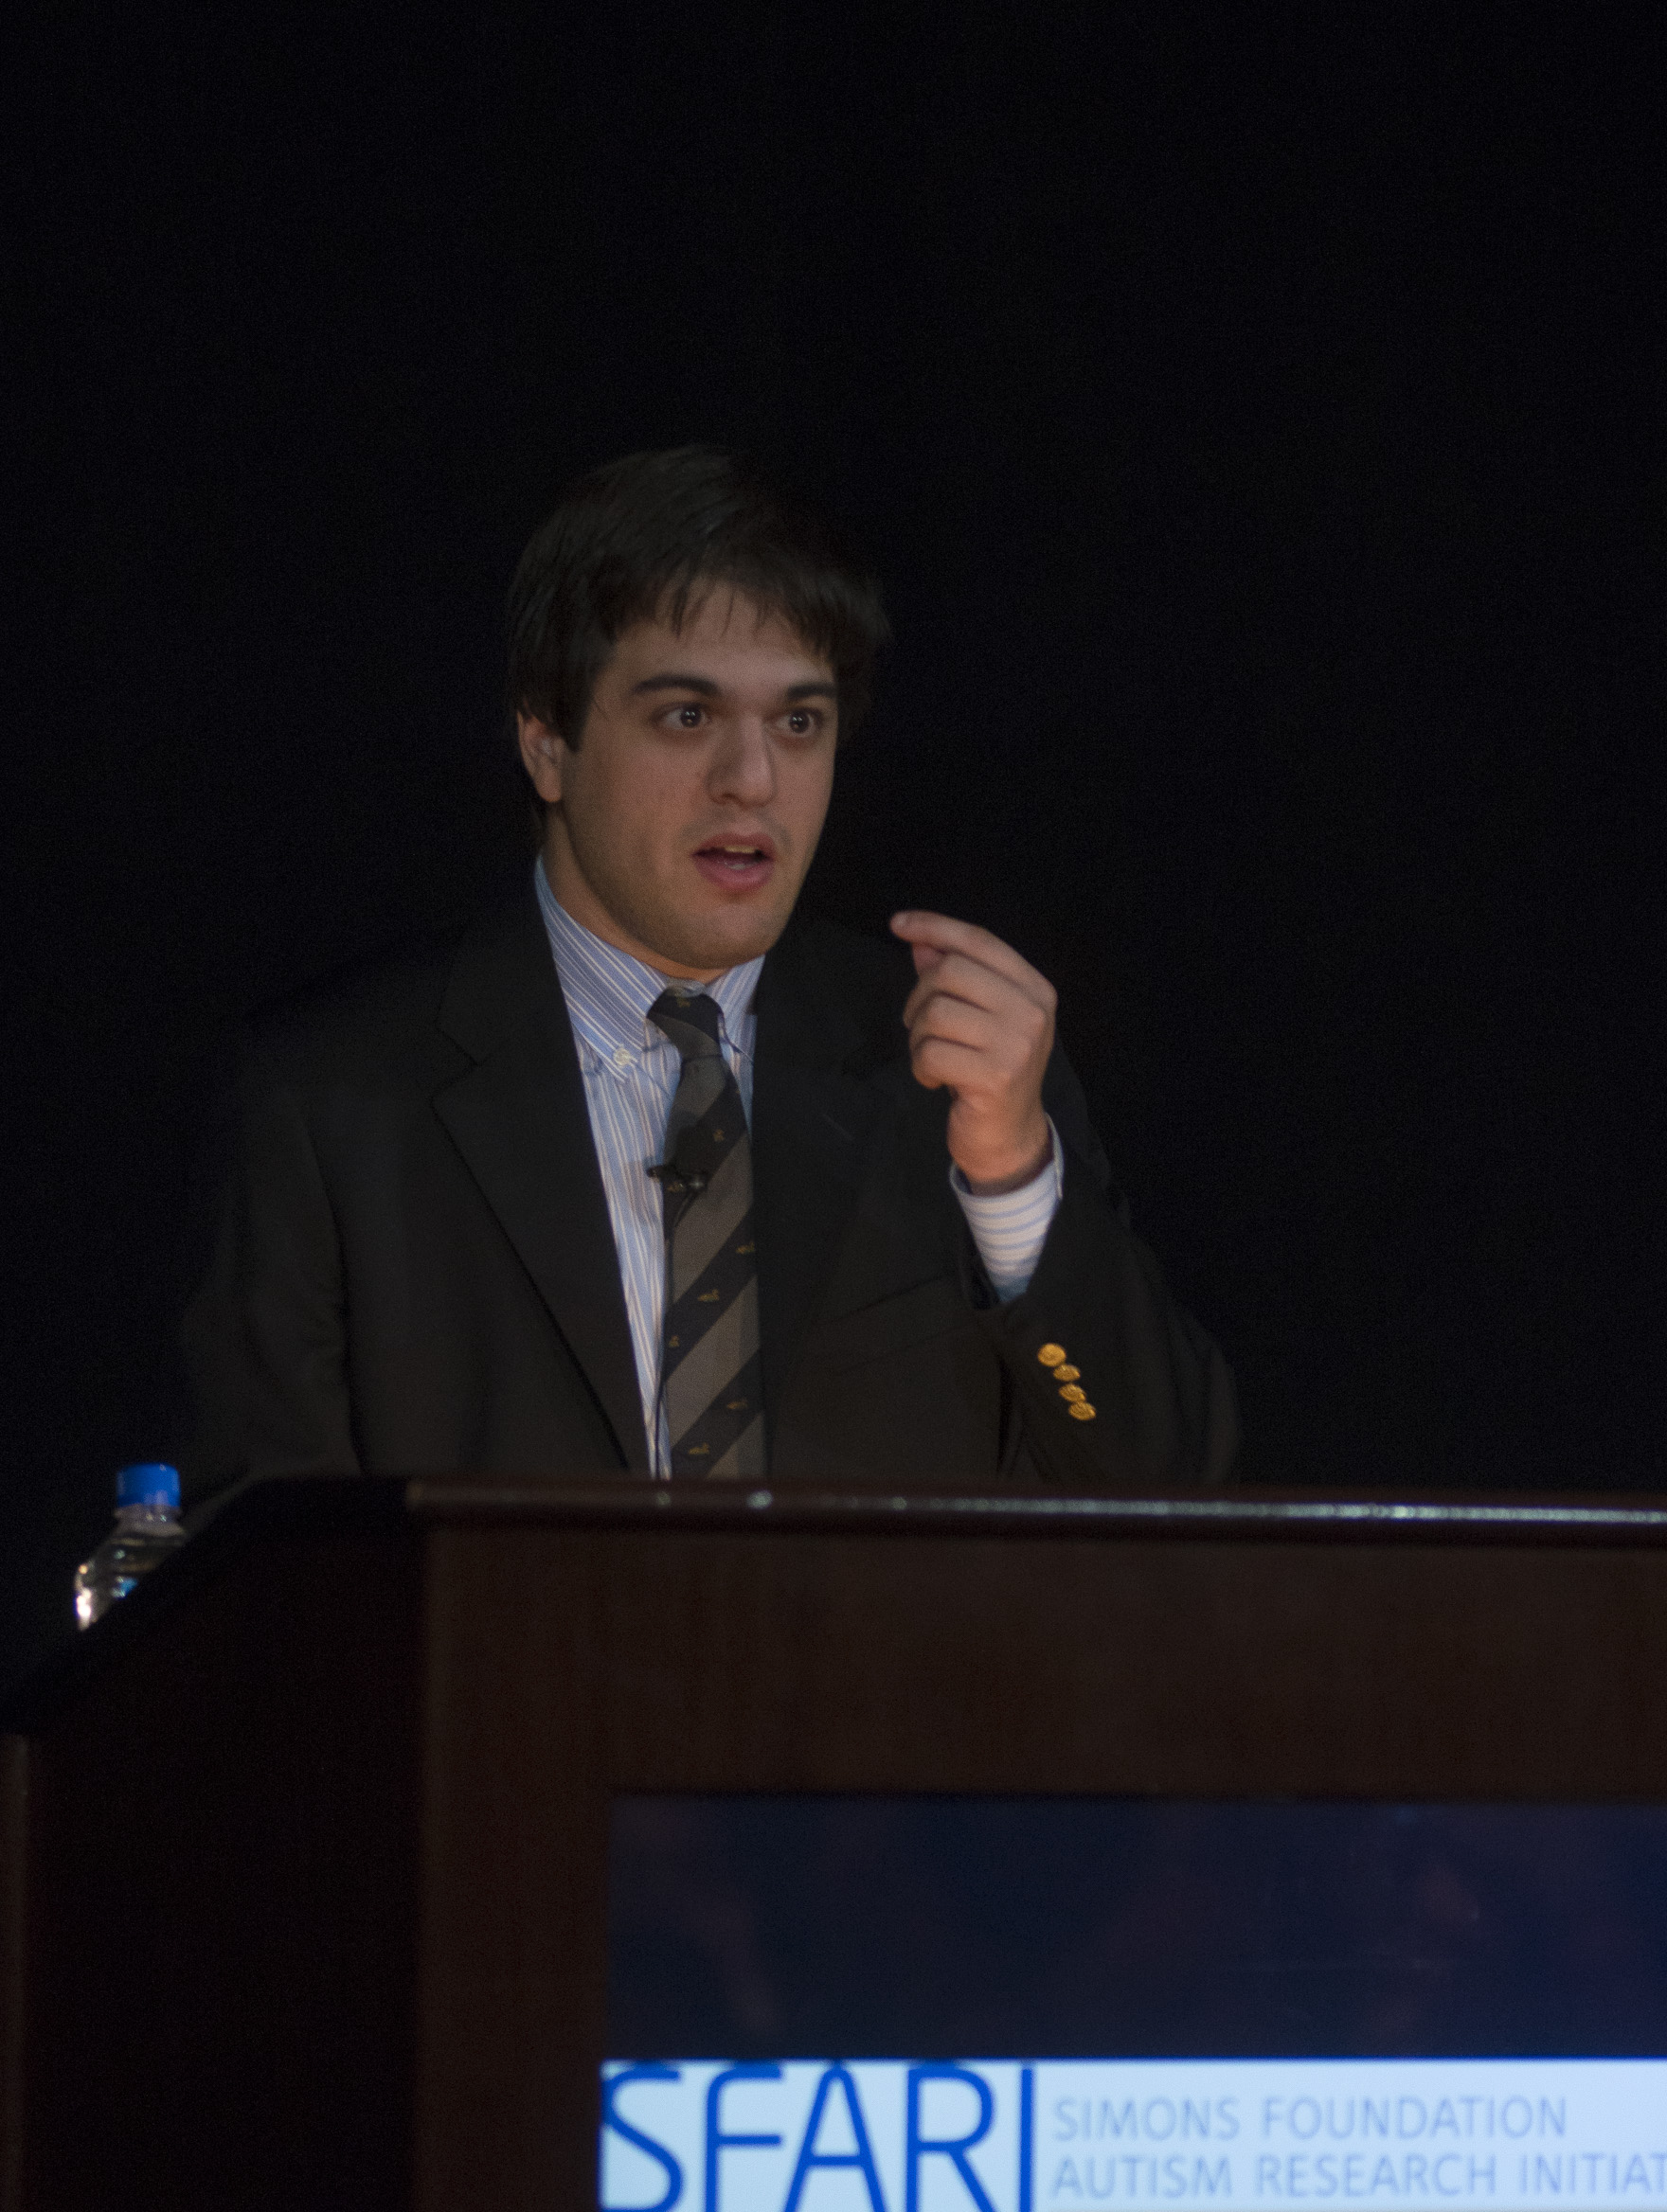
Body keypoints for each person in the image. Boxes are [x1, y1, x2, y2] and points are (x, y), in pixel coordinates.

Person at [173, 446, 1239, 1503]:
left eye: (798, 722)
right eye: (687, 717)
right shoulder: (327, 1104)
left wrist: (1010, 1178)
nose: (752, 779)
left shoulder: (951, 1069)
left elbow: (1166, 1486)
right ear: (546, 744)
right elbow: (272, 1597)